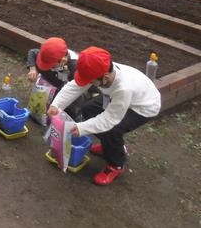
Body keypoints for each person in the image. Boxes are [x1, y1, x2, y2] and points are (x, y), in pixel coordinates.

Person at [48, 47, 161, 186]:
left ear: (105, 77)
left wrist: (80, 128)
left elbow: (110, 119)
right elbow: (76, 86)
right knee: (88, 109)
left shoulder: (123, 88)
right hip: (120, 98)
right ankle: (109, 146)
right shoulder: (100, 70)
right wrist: (56, 105)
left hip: (144, 106)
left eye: (91, 81)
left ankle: (116, 165)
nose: (87, 83)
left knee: (112, 130)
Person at [27, 37, 82, 119]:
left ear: (63, 59)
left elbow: (74, 90)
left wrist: (58, 104)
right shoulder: (49, 55)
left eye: (50, 65)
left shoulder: (75, 66)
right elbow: (32, 52)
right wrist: (32, 69)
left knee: (71, 109)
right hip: (50, 83)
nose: (48, 67)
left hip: (66, 89)